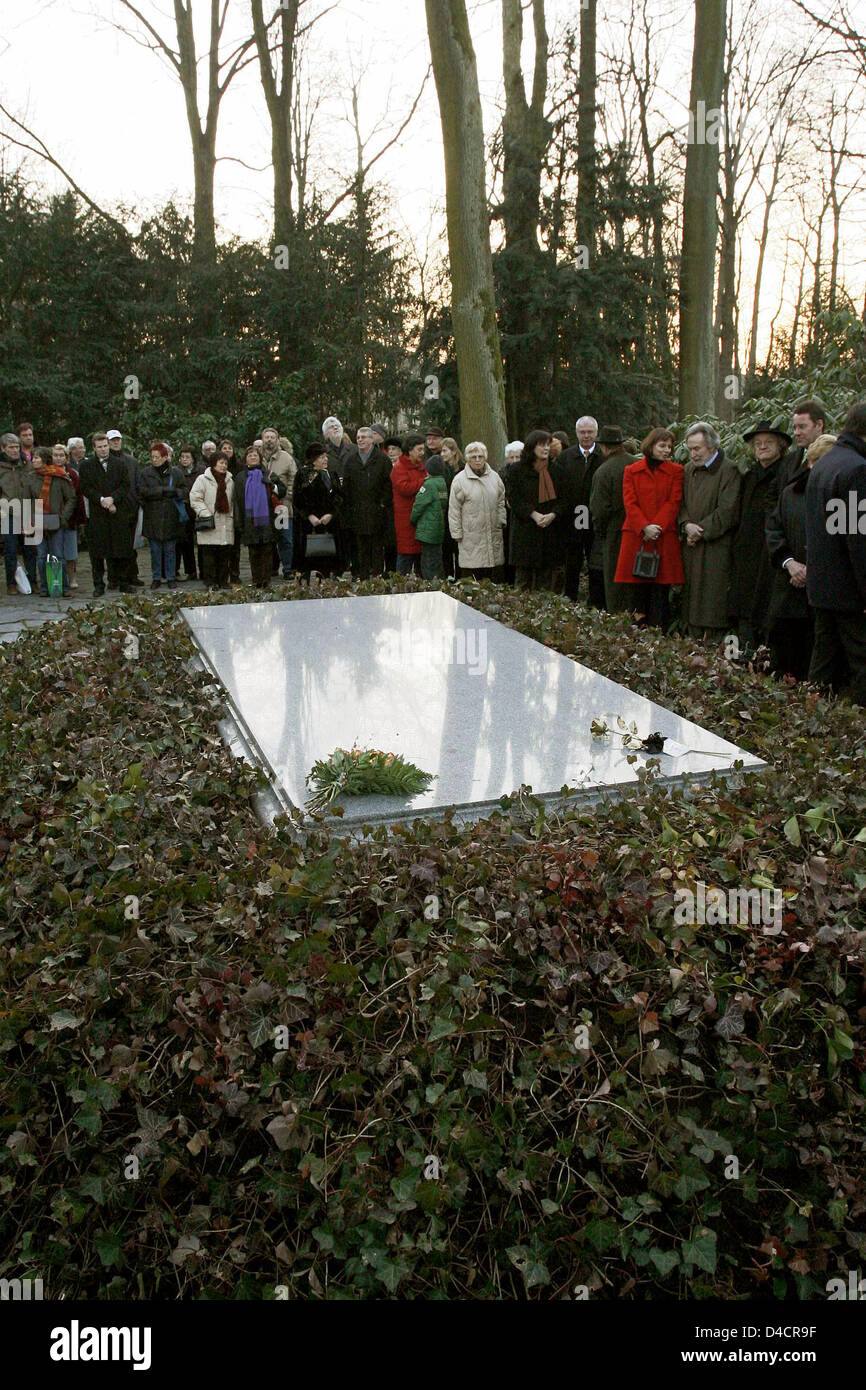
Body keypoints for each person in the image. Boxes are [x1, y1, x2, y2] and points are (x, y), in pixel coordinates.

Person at [804, 401, 866, 705]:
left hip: (823, 586)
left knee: (823, 661)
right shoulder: (857, 469)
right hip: (848, 591)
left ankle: (809, 721)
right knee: (861, 661)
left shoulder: (827, 463)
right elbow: (858, 539)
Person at [765, 434, 836, 681]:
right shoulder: (790, 493)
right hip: (788, 590)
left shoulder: (844, 497)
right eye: (816, 462)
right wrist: (790, 563)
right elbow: (774, 530)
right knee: (785, 660)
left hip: (824, 595)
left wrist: (812, 570)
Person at [728, 420, 790, 653]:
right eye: (758, 443)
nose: (762, 447)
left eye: (768, 443)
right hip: (746, 554)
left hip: (772, 553)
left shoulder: (785, 473)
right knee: (744, 614)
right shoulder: (749, 476)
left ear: (780, 446)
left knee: (768, 612)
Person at [613, 428, 684, 628]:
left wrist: (657, 527)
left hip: (662, 537)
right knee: (636, 591)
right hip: (637, 536)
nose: (667, 450)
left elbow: (674, 502)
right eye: (662, 446)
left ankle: (658, 637)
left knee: (660, 592)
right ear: (651, 446)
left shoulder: (676, 471)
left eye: (669, 446)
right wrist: (644, 526)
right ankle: (637, 635)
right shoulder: (631, 471)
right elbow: (629, 501)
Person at [678, 422, 742, 639]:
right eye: (690, 449)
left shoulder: (729, 470)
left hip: (716, 549)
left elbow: (728, 510)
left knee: (711, 604)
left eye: (697, 449)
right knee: (690, 603)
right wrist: (686, 525)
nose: (693, 454)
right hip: (690, 545)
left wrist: (701, 530)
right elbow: (681, 504)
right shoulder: (688, 470)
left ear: (712, 446)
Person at [505, 429, 567, 591]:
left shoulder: (557, 471)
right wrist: (533, 514)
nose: (545, 448)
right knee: (523, 584)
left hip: (549, 534)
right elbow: (514, 498)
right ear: (532, 446)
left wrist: (553, 515)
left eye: (547, 445)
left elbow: (565, 499)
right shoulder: (516, 470)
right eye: (541, 445)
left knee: (546, 585)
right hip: (524, 533)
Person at [589, 426, 639, 612]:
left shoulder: (603, 471)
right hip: (640, 531)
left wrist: (601, 532)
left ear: (603, 446)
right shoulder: (637, 465)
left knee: (615, 582)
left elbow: (599, 509)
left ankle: (618, 621)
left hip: (614, 533)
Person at [79, 432, 135, 595]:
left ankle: (123, 582)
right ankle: (98, 584)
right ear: (94, 448)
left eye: (105, 446)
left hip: (117, 512)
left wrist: (113, 498)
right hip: (98, 513)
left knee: (122, 549)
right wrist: (101, 499)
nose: (103, 450)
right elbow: (85, 487)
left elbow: (125, 485)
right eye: (100, 447)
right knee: (97, 552)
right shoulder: (86, 466)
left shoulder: (120, 464)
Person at [559, 415, 605, 605]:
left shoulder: (603, 456)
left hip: (596, 517)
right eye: (582, 432)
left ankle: (596, 602)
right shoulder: (566, 457)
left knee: (595, 562)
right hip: (573, 517)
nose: (586, 436)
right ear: (576, 433)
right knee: (573, 561)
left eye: (590, 432)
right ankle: (570, 598)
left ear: (596, 433)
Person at [448, 440, 506, 581]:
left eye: (481, 456)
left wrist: (501, 521)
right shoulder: (459, 480)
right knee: (471, 577)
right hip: (470, 536)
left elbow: (501, 501)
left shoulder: (495, 478)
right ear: (468, 459)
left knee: (492, 575)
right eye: (474, 457)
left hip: (492, 533)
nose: (478, 460)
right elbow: (454, 509)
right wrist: (456, 533)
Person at [234, 444, 287, 589]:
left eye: (255, 455)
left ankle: (266, 580)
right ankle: (256, 580)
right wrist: (239, 522)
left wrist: (272, 486)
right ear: (245, 460)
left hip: (267, 519)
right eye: (250, 455)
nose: (253, 457)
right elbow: (237, 500)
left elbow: (282, 490)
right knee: (253, 552)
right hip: (249, 519)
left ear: (260, 458)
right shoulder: (240, 478)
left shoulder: (268, 474)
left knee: (267, 550)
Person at [342, 426, 392, 579]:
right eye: (358, 437)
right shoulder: (351, 460)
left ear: (372, 439)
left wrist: (383, 503)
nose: (360, 440)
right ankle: (362, 578)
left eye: (364, 437)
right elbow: (347, 487)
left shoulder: (382, 459)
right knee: (360, 548)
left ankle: (376, 577)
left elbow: (388, 484)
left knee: (376, 547)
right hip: (357, 512)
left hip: (377, 511)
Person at [138, 442, 186, 589]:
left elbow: (184, 490)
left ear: (165, 457)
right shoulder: (146, 473)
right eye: (152, 457)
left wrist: (176, 493)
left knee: (170, 550)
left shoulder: (176, 473)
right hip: (153, 517)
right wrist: (163, 491)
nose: (154, 460)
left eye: (157, 457)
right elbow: (142, 492)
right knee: (155, 550)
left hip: (171, 516)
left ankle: (171, 577)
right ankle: (156, 577)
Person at [31, 446, 76, 596]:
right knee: (41, 556)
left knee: (58, 555)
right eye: (33, 458)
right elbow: (26, 501)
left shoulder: (59, 476)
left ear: (44, 459)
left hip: (56, 521)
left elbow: (71, 498)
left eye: (36, 457)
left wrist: (63, 518)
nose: (33, 460)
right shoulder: (31, 478)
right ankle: (45, 588)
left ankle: (63, 587)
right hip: (37, 522)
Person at [294, 442, 343, 579]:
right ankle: (304, 586)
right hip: (308, 524)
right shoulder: (304, 474)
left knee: (326, 558)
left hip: (328, 523)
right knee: (306, 559)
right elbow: (299, 499)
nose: (325, 460)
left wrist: (331, 514)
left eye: (326, 457)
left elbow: (338, 497)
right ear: (313, 460)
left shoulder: (331, 474)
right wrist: (309, 515)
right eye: (321, 457)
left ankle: (325, 584)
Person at [1, 432, 40, 594]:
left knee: (30, 549)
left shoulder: (27, 465)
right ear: (3, 449)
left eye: (17, 447)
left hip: (27, 511)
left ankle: (33, 581)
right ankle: (11, 583)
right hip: (8, 513)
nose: (15, 450)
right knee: (10, 550)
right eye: (11, 447)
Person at [189, 452, 235, 590]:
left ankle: (223, 581)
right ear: (214, 463)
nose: (223, 466)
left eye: (226, 463)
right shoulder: (202, 479)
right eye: (221, 462)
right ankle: (210, 582)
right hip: (209, 522)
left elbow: (232, 502)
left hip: (226, 522)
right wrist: (205, 513)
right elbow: (195, 498)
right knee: (209, 556)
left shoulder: (230, 481)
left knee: (224, 555)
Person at [261, 426, 297, 579]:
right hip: (263, 507)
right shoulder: (257, 457)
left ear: (277, 440)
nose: (269, 440)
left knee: (284, 538)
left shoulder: (286, 458)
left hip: (282, 506)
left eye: (272, 437)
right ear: (263, 439)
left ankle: (288, 568)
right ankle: (270, 568)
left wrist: (288, 495)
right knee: (267, 539)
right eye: (266, 437)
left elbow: (293, 478)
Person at [391, 433, 428, 575]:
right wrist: (425, 482)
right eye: (419, 450)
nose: (422, 453)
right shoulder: (399, 468)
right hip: (405, 519)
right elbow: (404, 488)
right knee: (405, 557)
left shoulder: (420, 466)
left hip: (419, 518)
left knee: (420, 559)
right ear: (410, 450)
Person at [410, 463, 448, 579]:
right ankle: (439, 582)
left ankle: (429, 584)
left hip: (427, 529)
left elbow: (419, 504)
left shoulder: (428, 485)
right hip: (438, 527)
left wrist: (412, 519)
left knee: (427, 561)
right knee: (436, 559)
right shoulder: (442, 483)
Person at [61, 441, 87, 589]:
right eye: (55, 455)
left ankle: (72, 577)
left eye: (61, 456)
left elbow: (76, 496)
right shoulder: (46, 473)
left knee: (71, 550)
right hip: (51, 515)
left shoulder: (72, 474)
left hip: (70, 517)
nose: (59, 458)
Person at [174, 447, 199, 581]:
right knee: (179, 542)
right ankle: (176, 570)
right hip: (181, 509)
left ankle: (192, 571)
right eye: (182, 457)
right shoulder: (176, 471)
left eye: (187, 457)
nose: (184, 459)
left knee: (191, 542)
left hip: (195, 509)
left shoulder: (199, 471)